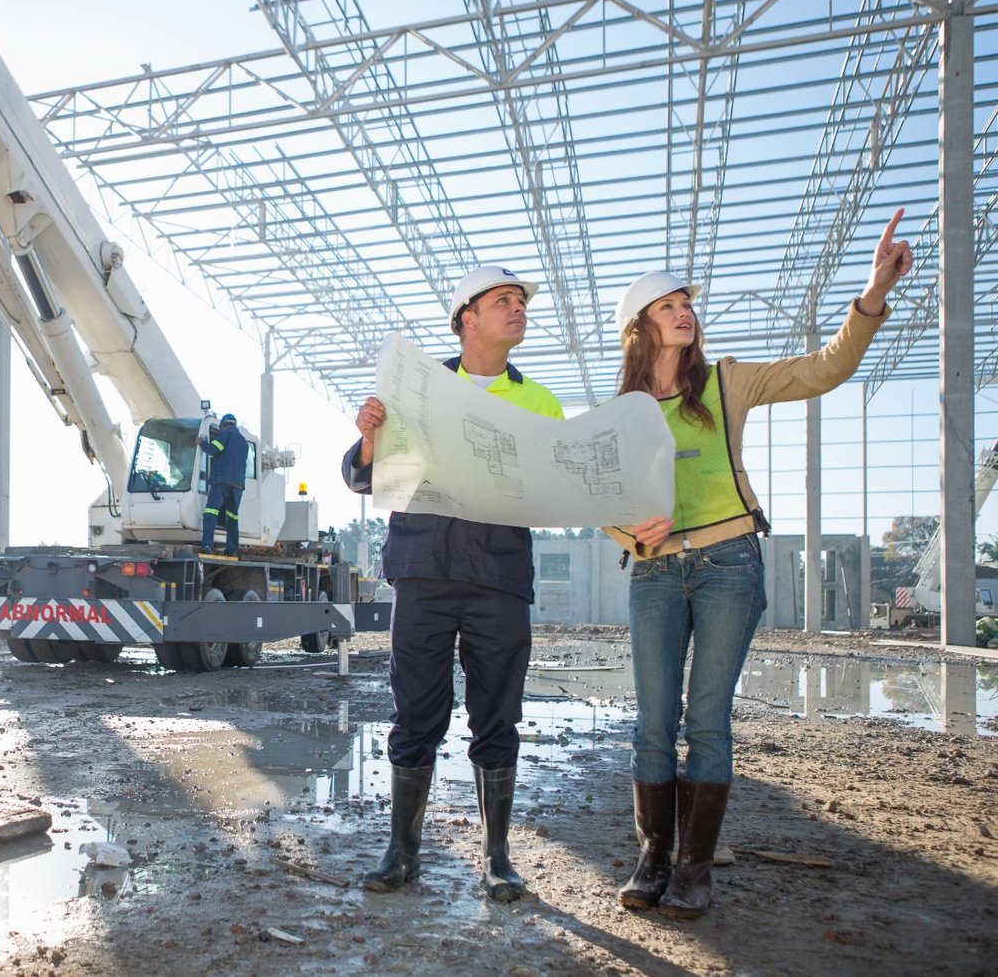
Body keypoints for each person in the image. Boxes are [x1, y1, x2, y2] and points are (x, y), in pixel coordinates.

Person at [607, 209, 913, 919]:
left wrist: (870, 295)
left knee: (706, 719)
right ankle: (651, 858)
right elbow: (596, 499)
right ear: (640, 326)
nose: (686, 313)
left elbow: (825, 368)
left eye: (688, 304)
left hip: (728, 566)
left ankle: (693, 869)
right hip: (653, 572)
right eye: (669, 306)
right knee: (652, 721)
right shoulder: (620, 409)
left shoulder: (729, 381)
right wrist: (628, 533)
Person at [342, 265, 563, 903]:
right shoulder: (417, 390)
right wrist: (367, 441)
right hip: (424, 573)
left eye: (521, 301)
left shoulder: (541, 402)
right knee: (416, 713)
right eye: (504, 301)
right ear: (468, 318)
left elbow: (554, 486)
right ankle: (401, 851)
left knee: (498, 714)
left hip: (497, 576)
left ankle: (497, 858)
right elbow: (360, 478)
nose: (518, 309)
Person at [199, 413, 247, 555]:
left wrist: (202, 443)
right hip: (238, 484)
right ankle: (232, 549)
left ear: (223, 425)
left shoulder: (226, 435)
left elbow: (213, 450)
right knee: (232, 517)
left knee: (211, 512)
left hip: (221, 480)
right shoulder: (243, 441)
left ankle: (207, 544)